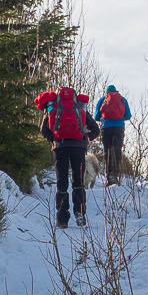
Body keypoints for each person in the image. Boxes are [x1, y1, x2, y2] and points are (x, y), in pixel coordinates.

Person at [35, 86, 97, 226]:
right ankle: (80, 214)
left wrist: (54, 139)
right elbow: (96, 129)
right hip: (78, 148)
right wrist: (86, 137)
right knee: (78, 182)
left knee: (62, 183)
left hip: (60, 147)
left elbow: (44, 129)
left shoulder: (53, 106)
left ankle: (62, 219)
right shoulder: (80, 107)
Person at [94, 84, 131, 184]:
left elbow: (96, 117)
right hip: (119, 128)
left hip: (106, 128)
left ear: (107, 93)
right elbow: (128, 115)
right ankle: (115, 175)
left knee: (108, 151)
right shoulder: (123, 100)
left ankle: (109, 176)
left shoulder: (102, 100)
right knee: (117, 151)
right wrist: (120, 118)